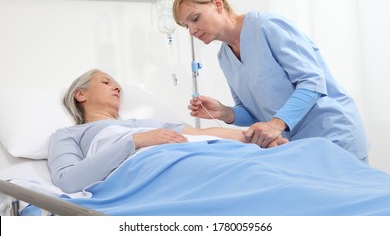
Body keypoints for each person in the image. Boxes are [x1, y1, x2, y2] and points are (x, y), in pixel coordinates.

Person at [172, 0, 369, 162]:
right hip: (295, 145)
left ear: (217, 3)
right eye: (186, 26)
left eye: (195, 18)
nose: (191, 31)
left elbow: (312, 82)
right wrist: (225, 113)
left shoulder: (267, 26)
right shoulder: (224, 57)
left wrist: (276, 124)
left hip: (332, 134)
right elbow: (255, 112)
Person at [48, 69, 287, 193]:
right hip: (154, 165)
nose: (117, 87)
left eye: (118, 84)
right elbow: (68, 181)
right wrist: (136, 141)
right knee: (253, 177)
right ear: (81, 94)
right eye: (106, 82)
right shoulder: (69, 135)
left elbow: (197, 134)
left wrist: (253, 137)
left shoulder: (149, 122)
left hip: (196, 153)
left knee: (275, 163)